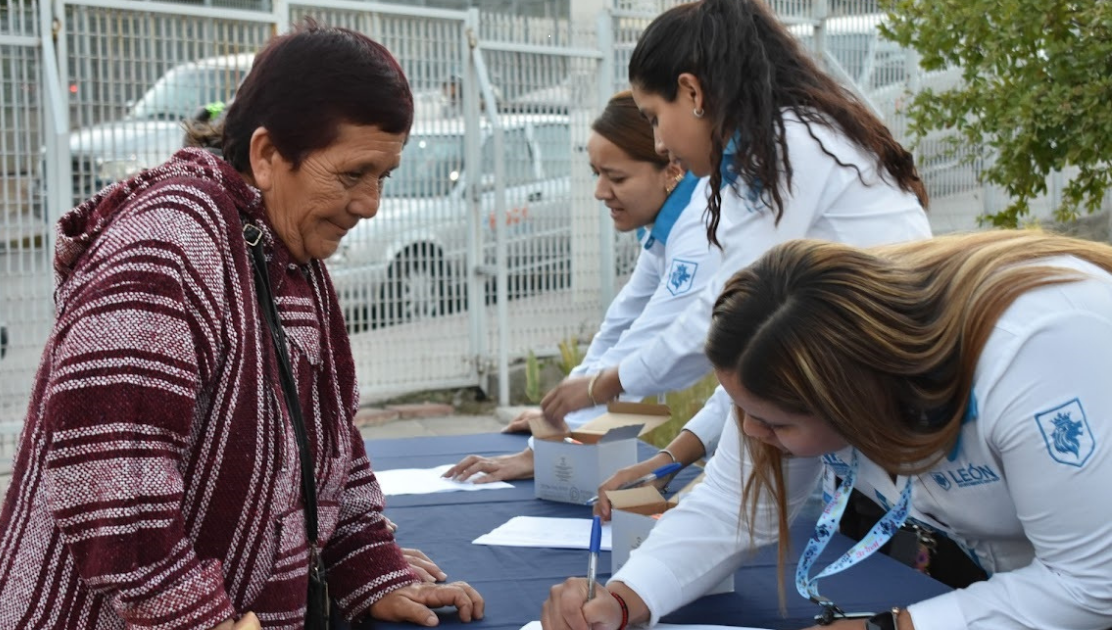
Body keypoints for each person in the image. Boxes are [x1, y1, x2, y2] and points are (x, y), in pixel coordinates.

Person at [0, 20, 483, 630]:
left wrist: (366, 566)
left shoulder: (285, 250)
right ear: (266, 155)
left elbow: (327, 441)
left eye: (382, 177)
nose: (370, 204)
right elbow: (114, 489)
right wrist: (203, 619)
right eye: (351, 175)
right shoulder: (164, 249)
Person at [542, 230, 1112, 630]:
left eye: (774, 422)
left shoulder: (1034, 361)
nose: (748, 432)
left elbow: (1093, 584)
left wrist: (897, 626)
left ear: (854, 401)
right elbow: (730, 506)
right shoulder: (805, 347)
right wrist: (624, 598)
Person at [536, 0, 931, 519]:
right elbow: (746, 348)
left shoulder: (784, 147)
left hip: (892, 406)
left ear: (693, 93)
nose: (660, 143)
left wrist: (603, 385)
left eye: (656, 118)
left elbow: (718, 323)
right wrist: (674, 456)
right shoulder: (770, 149)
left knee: (726, 522)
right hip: (860, 394)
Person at [441, 90, 718, 483]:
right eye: (597, 173)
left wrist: (554, 441)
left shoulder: (699, 230)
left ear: (672, 169)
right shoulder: (668, 228)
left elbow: (658, 346)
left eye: (616, 177)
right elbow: (618, 331)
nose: (600, 191)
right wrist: (560, 417)